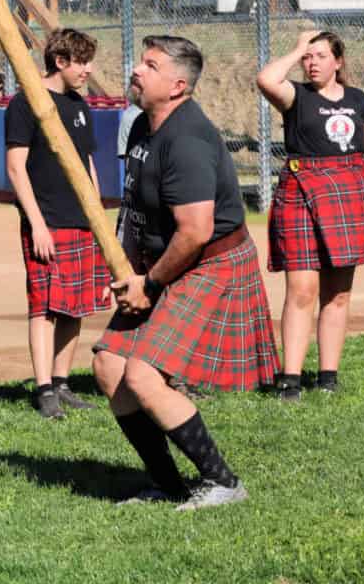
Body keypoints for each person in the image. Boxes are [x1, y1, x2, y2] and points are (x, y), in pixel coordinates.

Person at [93, 36, 279, 510]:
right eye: (140, 61)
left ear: (177, 86)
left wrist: (151, 283)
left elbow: (194, 231)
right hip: (161, 263)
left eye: (149, 65)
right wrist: (128, 273)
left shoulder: (187, 139)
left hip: (208, 261)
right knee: (108, 366)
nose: (136, 70)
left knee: (143, 374)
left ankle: (223, 482)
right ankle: (166, 484)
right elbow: (136, 209)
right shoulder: (141, 128)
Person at [256, 29, 364, 400]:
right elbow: (266, 79)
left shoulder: (357, 99)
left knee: (338, 293)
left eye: (320, 56)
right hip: (301, 192)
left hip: (350, 193)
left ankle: (328, 377)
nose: (311, 62)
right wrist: (297, 47)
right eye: (308, 57)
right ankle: (290, 379)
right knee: (301, 290)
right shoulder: (296, 96)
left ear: (338, 62)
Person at [4, 27, 110, 419]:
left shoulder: (80, 105)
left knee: (74, 306)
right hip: (47, 221)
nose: (88, 69)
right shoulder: (26, 103)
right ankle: (44, 388)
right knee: (44, 308)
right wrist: (37, 225)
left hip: (82, 221)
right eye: (81, 62)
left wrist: (97, 215)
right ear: (60, 61)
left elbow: (88, 164)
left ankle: (63, 382)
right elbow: (16, 169)